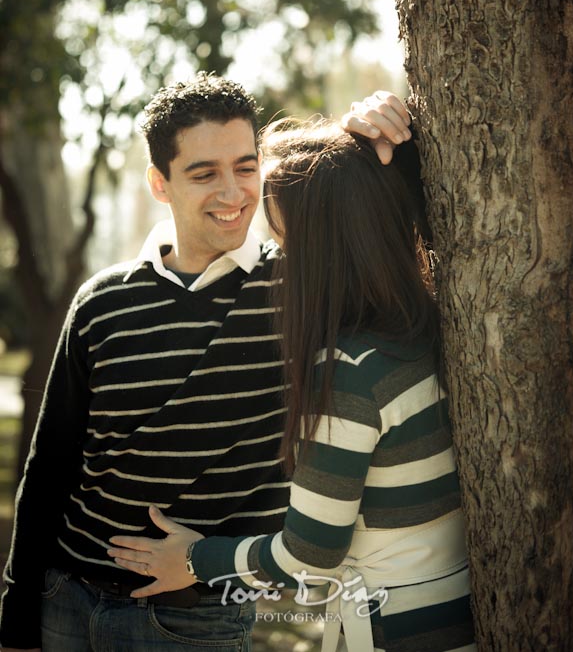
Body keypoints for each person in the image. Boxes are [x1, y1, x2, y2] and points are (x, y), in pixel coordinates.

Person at [0, 74, 410, 652]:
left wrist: (374, 135)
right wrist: (17, 617)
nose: (234, 192)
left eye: (246, 167)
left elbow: (388, 240)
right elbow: (49, 470)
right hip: (63, 600)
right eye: (203, 173)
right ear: (160, 183)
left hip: (194, 620)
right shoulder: (100, 303)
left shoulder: (300, 287)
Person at [107, 118, 476, 652]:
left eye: (283, 238)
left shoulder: (348, 373)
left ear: (323, 247)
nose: (278, 256)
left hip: (393, 630)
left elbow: (309, 554)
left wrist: (194, 559)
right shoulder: (416, 332)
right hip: (451, 613)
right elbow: (347, 180)